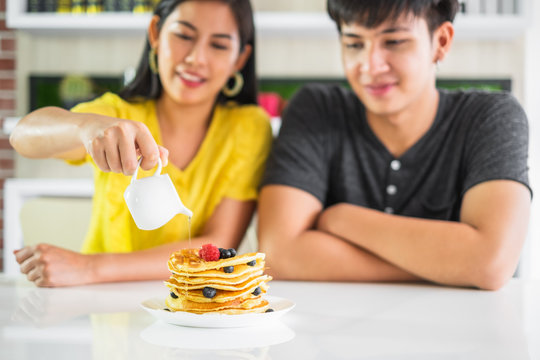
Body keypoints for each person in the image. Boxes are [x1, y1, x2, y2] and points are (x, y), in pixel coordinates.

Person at [258, 0, 531, 290]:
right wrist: (452, 264)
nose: (370, 65)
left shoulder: (490, 116)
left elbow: (490, 263)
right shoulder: (315, 110)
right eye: (354, 44)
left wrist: (342, 219)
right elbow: (280, 255)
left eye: (395, 42)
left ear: (440, 41)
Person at [10, 0, 272, 287]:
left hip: (190, 307)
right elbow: (23, 135)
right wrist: (87, 127)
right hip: (107, 311)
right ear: (156, 34)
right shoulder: (119, 114)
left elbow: (219, 242)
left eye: (219, 45)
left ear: (240, 58)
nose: (197, 58)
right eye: (184, 36)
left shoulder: (247, 127)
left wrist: (91, 267)